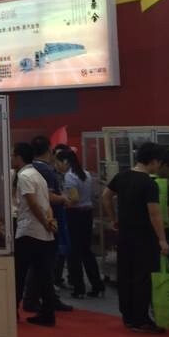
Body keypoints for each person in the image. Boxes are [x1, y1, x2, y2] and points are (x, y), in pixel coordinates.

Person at [103, 142, 169, 333]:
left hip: (125, 234)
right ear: (155, 161)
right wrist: (162, 239)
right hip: (145, 237)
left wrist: (113, 219)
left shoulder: (122, 176)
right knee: (143, 277)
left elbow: (106, 196)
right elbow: (154, 214)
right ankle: (141, 319)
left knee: (126, 274)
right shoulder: (149, 183)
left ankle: (128, 316)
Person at [12, 142, 58, 326]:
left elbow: (32, 203)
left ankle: (12, 310)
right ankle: (48, 312)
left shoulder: (24, 176)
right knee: (43, 275)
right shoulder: (38, 175)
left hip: (29, 230)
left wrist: (45, 222)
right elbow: (46, 203)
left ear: (19, 157)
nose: (11, 159)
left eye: (13, 155)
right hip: (43, 232)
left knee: (20, 273)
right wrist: (49, 221)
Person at [24, 136, 73, 313]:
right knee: (46, 263)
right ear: (49, 150)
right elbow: (47, 197)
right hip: (49, 220)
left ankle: (42, 298)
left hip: (35, 221)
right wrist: (63, 199)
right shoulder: (46, 170)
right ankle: (39, 298)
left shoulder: (29, 169)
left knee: (39, 262)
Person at [55, 147, 103, 299]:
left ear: (65, 162)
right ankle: (97, 285)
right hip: (87, 214)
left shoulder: (69, 176)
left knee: (73, 253)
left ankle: (79, 288)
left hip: (74, 215)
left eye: (58, 162)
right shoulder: (86, 174)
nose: (57, 166)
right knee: (86, 251)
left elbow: (74, 199)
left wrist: (63, 200)